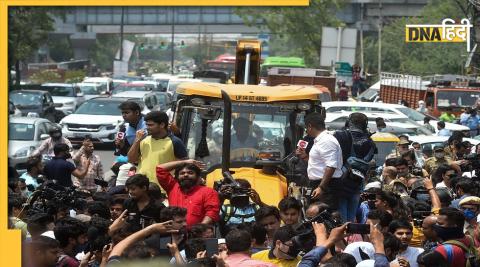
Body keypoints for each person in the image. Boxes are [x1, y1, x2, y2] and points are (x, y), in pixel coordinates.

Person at [333, 112, 376, 222]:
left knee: (341, 214)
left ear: (348, 122)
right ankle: (352, 235)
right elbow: (368, 161)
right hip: (358, 180)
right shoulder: (370, 142)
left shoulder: (341, 136)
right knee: (351, 216)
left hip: (341, 178)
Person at [128, 111, 188, 184]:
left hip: (163, 189)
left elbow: (184, 164)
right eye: (146, 125)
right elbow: (131, 159)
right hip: (142, 187)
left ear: (162, 125)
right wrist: (137, 141)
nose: (147, 128)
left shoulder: (175, 142)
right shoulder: (144, 140)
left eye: (150, 125)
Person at [156, 159, 220, 227]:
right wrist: (184, 162)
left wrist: (200, 228)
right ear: (177, 177)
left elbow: (212, 213)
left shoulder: (209, 192)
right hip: (174, 233)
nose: (186, 175)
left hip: (198, 235)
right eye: (182, 173)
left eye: (190, 173)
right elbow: (160, 169)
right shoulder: (172, 187)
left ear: (198, 177)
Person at [306, 112, 344, 212]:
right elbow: (319, 163)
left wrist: (321, 187)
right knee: (314, 215)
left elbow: (331, 166)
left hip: (327, 186)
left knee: (323, 216)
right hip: (318, 183)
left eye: (306, 128)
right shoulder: (320, 140)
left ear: (310, 126)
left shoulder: (326, 140)